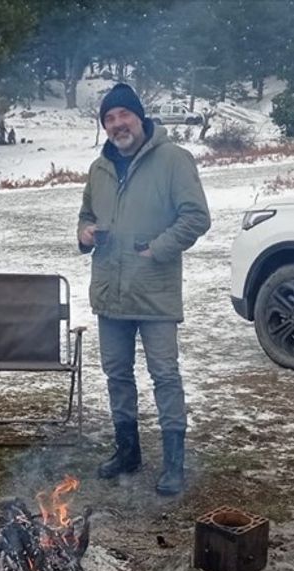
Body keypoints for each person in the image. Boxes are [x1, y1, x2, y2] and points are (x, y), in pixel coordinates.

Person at [76, 83, 210, 496]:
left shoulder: (173, 160)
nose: (118, 124)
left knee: (165, 375)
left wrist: (157, 250)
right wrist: (84, 234)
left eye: (123, 115)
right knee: (117, 374)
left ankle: (173, 463)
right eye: (109, 119)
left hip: (154, 291)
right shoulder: (98, 168)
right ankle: (127, 451)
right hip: (110, 294)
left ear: (140, 116)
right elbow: (85, 215)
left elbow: (196, 217)